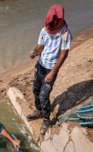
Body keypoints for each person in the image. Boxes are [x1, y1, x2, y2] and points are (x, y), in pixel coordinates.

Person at [27, 4, 73, 135]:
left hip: (51, 69)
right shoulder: (44, 30)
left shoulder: (65, 33)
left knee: (44, 95)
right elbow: (40, 47)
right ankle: (38, 111)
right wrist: (34, 53)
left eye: (57, 19)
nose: (54, 22)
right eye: (52, 19)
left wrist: (53, 72)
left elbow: (64, 54)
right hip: (40, 65)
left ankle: (46, 120)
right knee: (35, 89)